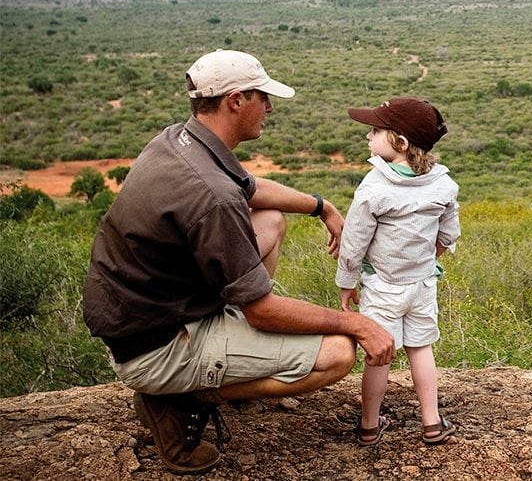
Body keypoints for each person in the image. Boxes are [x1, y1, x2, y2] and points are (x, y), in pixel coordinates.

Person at [82, 49, 396, 475]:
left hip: (146, 314)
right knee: (338, 353)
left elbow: (250, 189)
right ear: (235, 101)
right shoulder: (211, 196)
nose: (268, 107)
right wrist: (358, 324)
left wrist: (322, 207)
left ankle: (206, 365)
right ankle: (179, 397)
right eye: (261, 97)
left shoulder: (180, 140)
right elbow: (262, 310)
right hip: (157, 346)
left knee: (269, 220)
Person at [336, 97, 460, 446]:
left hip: (383, 287)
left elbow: (354, 242)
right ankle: (432, 423)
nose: (368, 136)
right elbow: (449, 234)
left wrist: (346, 283)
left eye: (375, 131)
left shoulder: (374, 188)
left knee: (380, 355)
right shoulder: (443, 185)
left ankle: (369, 425)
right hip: (422, 284)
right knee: (421, 350)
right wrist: (426, 258)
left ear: (400, 144)